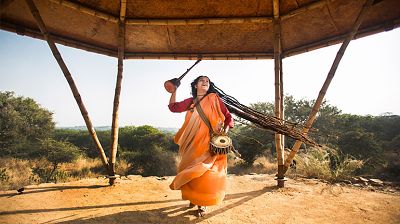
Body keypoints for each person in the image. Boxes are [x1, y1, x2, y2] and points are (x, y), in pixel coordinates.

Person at [168, 75, 234, 217]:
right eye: (201, 80)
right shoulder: (191, 102)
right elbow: (173, 107)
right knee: (191, 172)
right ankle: (194, 198)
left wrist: (224, 131)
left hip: (209, 143)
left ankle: (202, 203)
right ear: (195, 85)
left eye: (207, 81)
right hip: (191, 144)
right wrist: (174, 90)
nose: (205, 82)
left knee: (205, 173)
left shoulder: (215, 99)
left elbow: (228, 117)